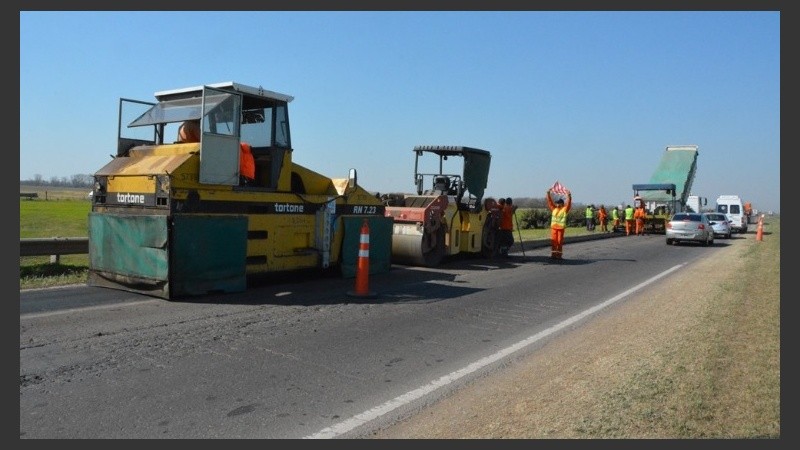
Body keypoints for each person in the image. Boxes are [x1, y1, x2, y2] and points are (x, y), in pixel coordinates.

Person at [546, 188, 572, 260]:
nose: (557, 204)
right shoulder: (553, 208)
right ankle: (553, 255)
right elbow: (550, 202)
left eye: (558, 203)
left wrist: (569, 197)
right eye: (556, 203)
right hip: (554, 228)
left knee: (559, 242)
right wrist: (548, 194)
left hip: (560, 228)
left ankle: (559, 255)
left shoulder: (565, 209)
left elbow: (569, 204)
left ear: (562, 204)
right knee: (554, 242)